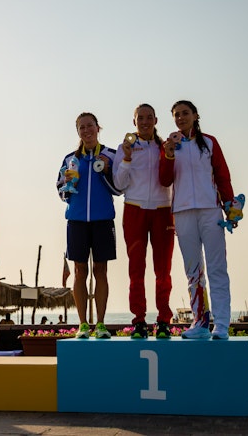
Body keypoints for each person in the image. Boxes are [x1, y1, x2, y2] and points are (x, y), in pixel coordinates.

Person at [159, 100, 235, 340]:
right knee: (193, 271)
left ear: (195, 115)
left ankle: (221, 324)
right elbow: (164, 179)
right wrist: (169, 155)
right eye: (177, 115)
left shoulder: (210, 142)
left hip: (210, 211)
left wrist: (230, 205)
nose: (181, 118)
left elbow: (223, 176)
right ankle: (200, 322)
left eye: (185, 113)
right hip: (182, 213)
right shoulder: (169, 145)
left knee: (217, 268)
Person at [57, 112, 122, 339]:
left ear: (98, 127)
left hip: (103, 220)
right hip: (76, 221)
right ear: (78, 132)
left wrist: (106, 170)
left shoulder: (110, 155)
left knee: (101, 271)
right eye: (82, 128)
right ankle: (83, 324)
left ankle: (101, 324)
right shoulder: (69, 159)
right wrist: (67, 184)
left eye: (90, 126)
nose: (86, 131)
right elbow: (61, 191)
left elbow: (120, 188)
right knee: (79, 271)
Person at [113, 104, 175, 339]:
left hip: (162, 210)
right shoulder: (125, 147)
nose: (145, 122)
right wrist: (127, 159)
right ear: (134, 122)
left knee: (163, 270)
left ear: (156, 120)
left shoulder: (165, 146)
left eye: (149, 118)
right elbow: (119, 185)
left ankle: (163, 321)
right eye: (141, 118)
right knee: (136, 270)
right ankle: (139, 321)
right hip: (134, 209)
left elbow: (171, 178)